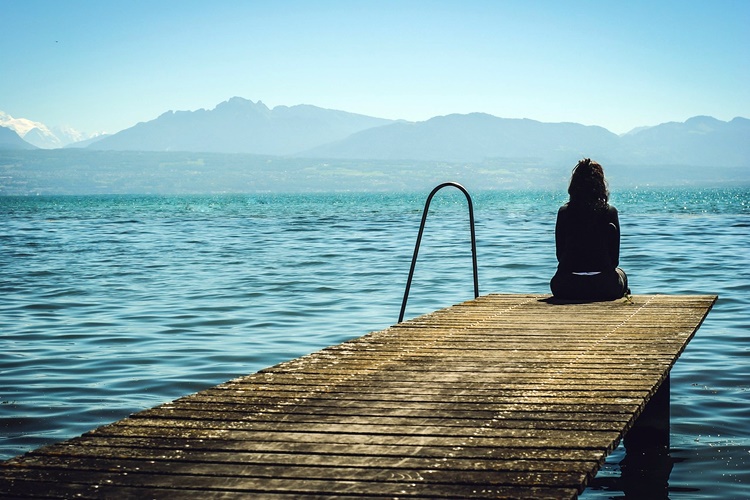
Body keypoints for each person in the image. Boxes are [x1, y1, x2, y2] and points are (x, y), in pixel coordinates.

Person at [550, 158, 629, 300]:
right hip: (604, 286)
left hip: (567, 285)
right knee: (621, 273)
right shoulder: (610, 212)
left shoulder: (564, 212)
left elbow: (560, 256)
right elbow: (614, 261)